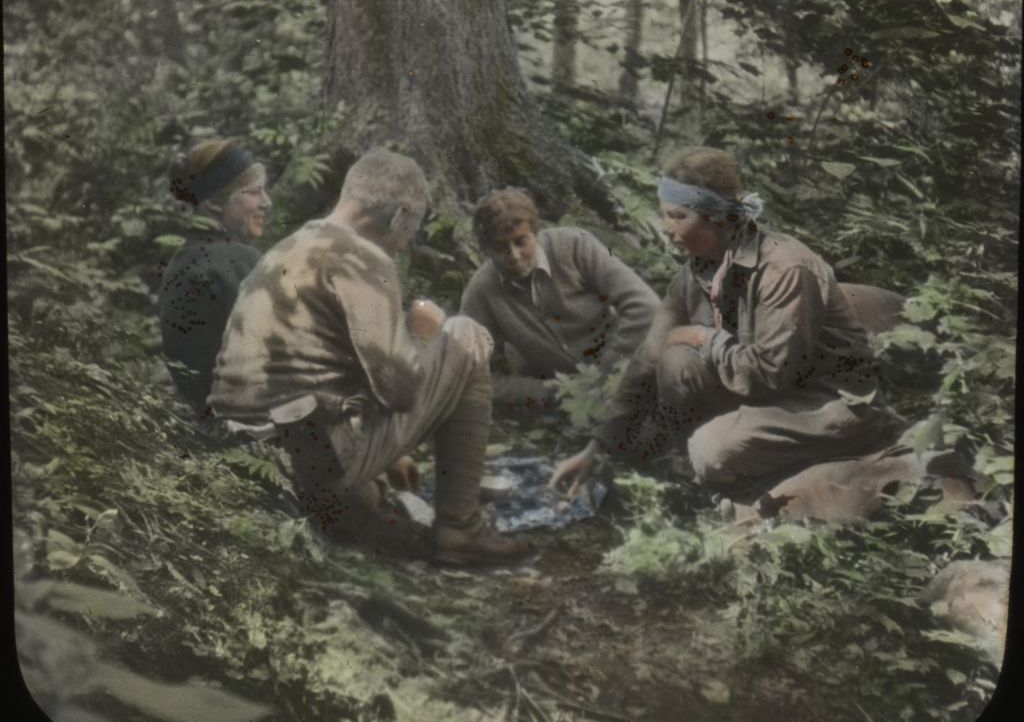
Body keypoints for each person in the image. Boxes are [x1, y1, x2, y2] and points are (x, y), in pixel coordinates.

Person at [209, 148, 530, 564]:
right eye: (409, 229)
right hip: (310, 460)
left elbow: (323, 366)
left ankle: (368, 497)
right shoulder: (366, 259)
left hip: (246, 450)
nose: (403, 243)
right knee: (465, 334)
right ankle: (461, 528)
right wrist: (422, 333)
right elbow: (402, 392)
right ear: (399, 217)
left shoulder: (292, 246)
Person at [551, 147, 903, 506]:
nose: (667, 229)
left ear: (717, 219)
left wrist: (704, 337)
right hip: (769, 394)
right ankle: (714, 473)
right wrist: (597, 447)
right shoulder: (697, 271)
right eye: (665, 215)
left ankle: (748, 487)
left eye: (678, 216)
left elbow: (769, 373)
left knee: (709, 450)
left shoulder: (785, 268)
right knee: (675, 362)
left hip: (828, 401)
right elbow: (648, 359)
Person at [459, 188, 660, 416]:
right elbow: (478, 377)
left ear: (535, 232)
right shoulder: (480, 292)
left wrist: (607, 373)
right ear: (485, 249)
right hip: (569, 400)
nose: (514, 255)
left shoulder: (574, 245)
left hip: (627, 366)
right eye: (501, 247)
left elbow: (645, 305)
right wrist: (552, 393)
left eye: (521, 241)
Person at [157, 139, 271, 417]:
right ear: (214, 202)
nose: (266, 202)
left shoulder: (184, 259)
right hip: (249, 424)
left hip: (206, 418)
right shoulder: (236, 261)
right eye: (253, 192)